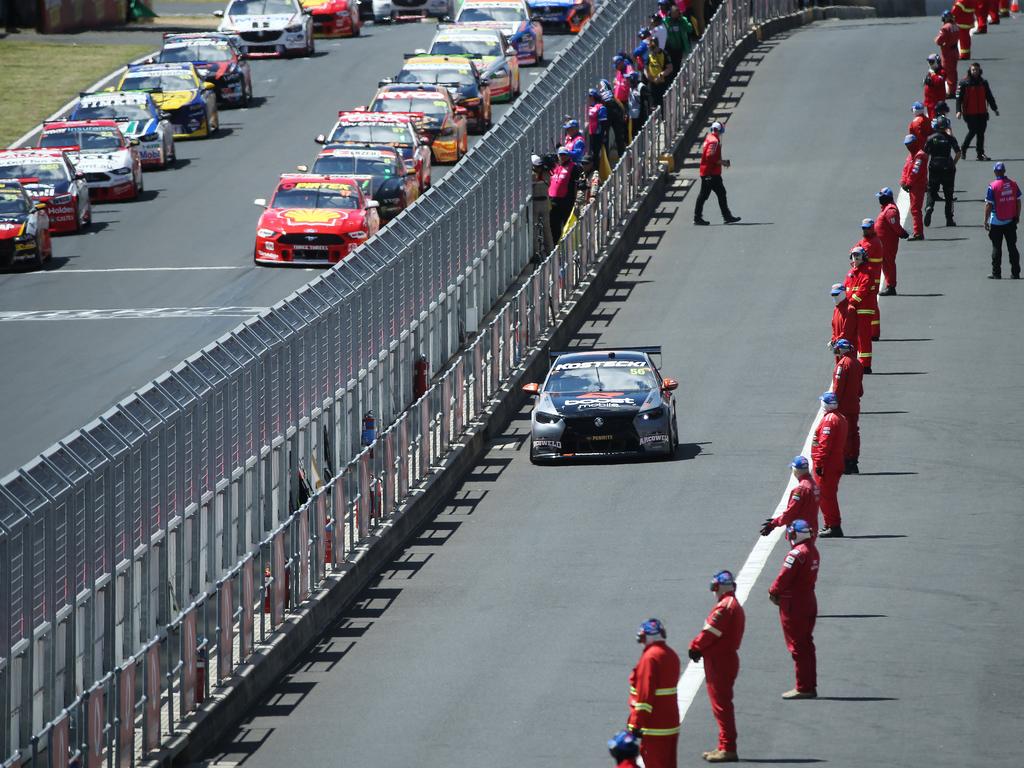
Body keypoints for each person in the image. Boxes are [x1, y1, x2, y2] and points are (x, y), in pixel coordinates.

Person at [689, 571, 745, 764]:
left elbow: (710, 633)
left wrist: (695, 647)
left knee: (721, 706)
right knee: (721, 705)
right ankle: (723, 745)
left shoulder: (724, 608)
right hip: (723, 659)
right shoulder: (732, 605)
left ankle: (728, 748)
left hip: (719, 662)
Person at [768, 520, 820, 699]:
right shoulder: (813, 551)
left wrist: (773, 591)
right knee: (807, 644)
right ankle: (809, 684)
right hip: (809, 601)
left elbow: (784, 577)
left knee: (798, 646)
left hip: (794, 604)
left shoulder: (796, 554)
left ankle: (804, 687)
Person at [627, 618, 681, 768]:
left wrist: (636, 723)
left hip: (654, 726)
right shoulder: (671, 655)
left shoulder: (650, 658)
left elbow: (645, 696)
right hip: (670, 723)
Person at [812, 392, 848, 538]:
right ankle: (829, 524)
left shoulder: (829, 420)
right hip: (835, 461)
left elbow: (824, 444)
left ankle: (833, 525)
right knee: (826, 495)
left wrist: (819, 463)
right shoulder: (840, 418)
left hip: (828, 464)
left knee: (826, 496)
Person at [694, 122, 740, 226]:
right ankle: (698, 217)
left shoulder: (709, 138)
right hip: (711, 173)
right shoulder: (714, 141)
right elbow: (710, 156)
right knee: (706, 195)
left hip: (708, 172)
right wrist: (722, 162)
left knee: (718, 194)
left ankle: (726, 216)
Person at [761, 456, 820, 536]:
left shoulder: (801, 489)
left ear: (795, 471)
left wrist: (774, 523)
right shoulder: (814, 484)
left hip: (800, 530)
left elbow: (791, 512)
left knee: (801, 548)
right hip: (811, 528)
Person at [831, 338, 864, 474]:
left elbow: (838, 388)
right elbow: (860, 390)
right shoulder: (857, 363)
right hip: (854, 405)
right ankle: (854, 461)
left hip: (843, 406)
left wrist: (833, 404)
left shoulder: (842, 365)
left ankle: (845, 461)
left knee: (843, 434)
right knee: (854, 433)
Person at [985, 162, 1021, 279]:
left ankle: (996, 273)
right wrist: (1017, 215)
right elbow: (1018, 201)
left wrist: (985, 220)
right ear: (1004, 171)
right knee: (1012, 247)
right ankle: (1015, 273)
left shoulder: (993, 186)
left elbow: (989, 205)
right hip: (1010, 221)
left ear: (995, 172)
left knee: (996, 247)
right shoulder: (1013, 184)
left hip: (996, 222)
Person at [956, 62, 999, 161]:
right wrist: (958, 111)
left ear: (980, 70)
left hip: (982, 112)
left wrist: (994, 108)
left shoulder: (983, 82)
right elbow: (959, 98)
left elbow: (989, 96)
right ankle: (963, 148)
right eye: (973, 70)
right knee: (973, 130)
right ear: (970, 71)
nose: (975, 71)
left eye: (976, 69)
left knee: (981, 133)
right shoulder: (964, 83)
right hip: (969, 113)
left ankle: (980, 154)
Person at [924, 115, 961, 228]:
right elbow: (958, 153)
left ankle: (929, 207)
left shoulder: (931, 138)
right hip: (947, 167)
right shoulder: (950, 138)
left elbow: (925, 154)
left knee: (931, 190)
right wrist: (952, 164)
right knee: (949, 195)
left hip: (934, 166)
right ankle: (949, 219)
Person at [844, 247, 874, 372]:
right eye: (853, 257)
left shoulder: (867, 272)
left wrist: (851, 302)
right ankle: (857, 363)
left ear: (863, 258)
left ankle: (865, 365)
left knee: (863, 337)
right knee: (854, 337)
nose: (855, 259)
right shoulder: (851, 273)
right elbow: (846, 289)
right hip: (853, 310)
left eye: (857, 257)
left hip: (863, 310)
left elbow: (862, 291)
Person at [875, 187, 909, 295]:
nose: (879, 199)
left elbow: (895, 225)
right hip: (884, 242)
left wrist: (902, 233)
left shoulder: (890, 211)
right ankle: (889, 285)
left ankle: (891, 286)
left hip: (888, 243)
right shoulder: (886, 208)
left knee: (888, 263)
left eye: (881, 197)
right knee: (885, 263)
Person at [855, 218, 882, 341]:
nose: (865, 230)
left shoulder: (872, 243)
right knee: (870, 305)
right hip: (867, 276)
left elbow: (860, 253)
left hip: (873, 278)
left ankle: (874, 332)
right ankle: (872, 332)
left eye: (867, 228)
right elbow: (853, 251)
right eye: (863, 228)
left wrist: (858, 250)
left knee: (872, 305)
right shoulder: (866, 240)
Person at [901, 134, 928, 240]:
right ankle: (917, 231)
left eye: (909, 145)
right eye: (906, 145)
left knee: (916, 209)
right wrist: (903, 181)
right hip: (912, 185)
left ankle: (918, 233)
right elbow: (905, 169)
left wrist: (908, 183)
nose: (908, 147)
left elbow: (915, 172)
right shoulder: (911, 155)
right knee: (914, 209)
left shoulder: (920, 156)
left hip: (918, 186)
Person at [548, 148, 575, 241]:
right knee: (554, 227)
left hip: (566, 202)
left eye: (564, 155)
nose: (562, 157)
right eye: (560, 155)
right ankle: (556, 247)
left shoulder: (574, 167)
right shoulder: (554, 167)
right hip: (553, 203)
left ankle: (568, 246)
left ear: (568, 156)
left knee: (567, 226)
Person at [531, 154, 553, 259]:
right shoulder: (543, 174)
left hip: (541, 203)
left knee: (545, 228)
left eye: (539, 166)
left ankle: (548, 250)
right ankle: (538, 252)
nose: (538, 168)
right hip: (537, 203)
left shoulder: (542, 174)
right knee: (536, 229)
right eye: (536, 166)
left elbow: (546, 183)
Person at [662, 4, 693, 77]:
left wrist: (682, 20)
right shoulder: (666, 21)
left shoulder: (682, 20)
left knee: (678, 65)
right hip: (670, 48)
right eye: (673, 13)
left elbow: (690, 29)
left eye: (677, 13)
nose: (675, 15)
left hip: (680, 47)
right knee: (671, 66)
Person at [600, 79, 628, 159]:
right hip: (615, 114)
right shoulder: (614, 99)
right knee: (618, 137)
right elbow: (621, 107)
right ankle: (621, 157)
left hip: (610, 115)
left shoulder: (606, 97)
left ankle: (607, 159)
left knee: (607, 138)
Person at [935, 11, 959, 96]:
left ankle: (951, 92)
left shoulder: (945, 28)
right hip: (955, 51)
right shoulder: (955, 26)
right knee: (953, 71)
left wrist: (939, 41)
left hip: (947, 53)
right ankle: (953, 89)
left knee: (948, 72)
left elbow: (939, 41)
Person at [645, 34, 673, 107]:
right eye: (651, 48)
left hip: (662, 83)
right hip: (652, 83)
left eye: (653, 48)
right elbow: (645, 68)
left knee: (662, 103)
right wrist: (649, 77)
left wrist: (660, 75)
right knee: (652, 104)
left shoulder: (664, 54)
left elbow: (670, 68)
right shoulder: (650, 55)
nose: (652, 50)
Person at [829, 283, 854, 348]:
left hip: (847, 348)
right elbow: (834, 328)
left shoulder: (850, 309)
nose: (834, 297)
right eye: (833, 295)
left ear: (843, 293)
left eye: (836, 294)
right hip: (838, 346)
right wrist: (833, 340)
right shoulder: (836, 309)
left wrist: (835, 341)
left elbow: (847, 331)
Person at [627, 71, 650, 138]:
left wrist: (649, 108)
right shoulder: (630, 87)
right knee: (633, 133)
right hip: (632, 115)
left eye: (629, 79)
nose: (628, 80)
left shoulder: (641, 87)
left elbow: (648, 97)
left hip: (640, 115)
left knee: (640, 133)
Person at [586, 88, 609, 157]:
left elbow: (604, 123)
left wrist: (603, 135)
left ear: (592, 97)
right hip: (591, 133)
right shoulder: (589, 107)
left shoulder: (601, 107)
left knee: (597, 153)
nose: (588, 98)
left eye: (589, 96)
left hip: (598, 134)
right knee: (592, 153)